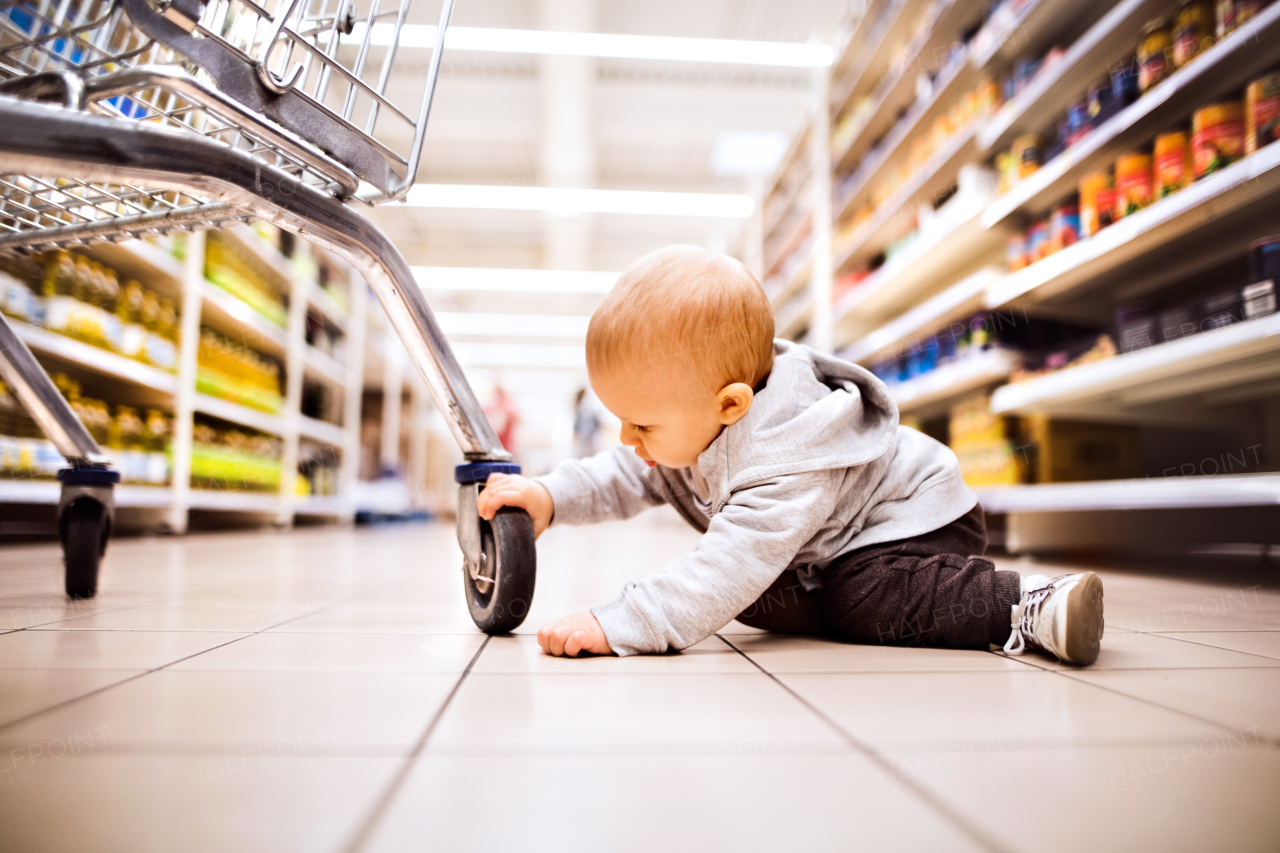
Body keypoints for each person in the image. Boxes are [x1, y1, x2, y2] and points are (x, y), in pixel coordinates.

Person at [476, 246, 1104, 664]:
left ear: (730, 405)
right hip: (836, 534)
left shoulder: (783, 456)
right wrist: (551, 496)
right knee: (749, 599)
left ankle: (1030, 604)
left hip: (916, 521)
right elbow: (623, 474)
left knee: (857, 597)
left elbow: (724, 565)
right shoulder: (686, 426)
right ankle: (833, 597)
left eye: (639, 422)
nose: (625, 438)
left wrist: (621, 623)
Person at [572, 388, 601, 459]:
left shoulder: (591, 413)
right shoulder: (578, 413)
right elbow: (576, 430)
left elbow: (597, 427)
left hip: (591, 442)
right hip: (583, 443)